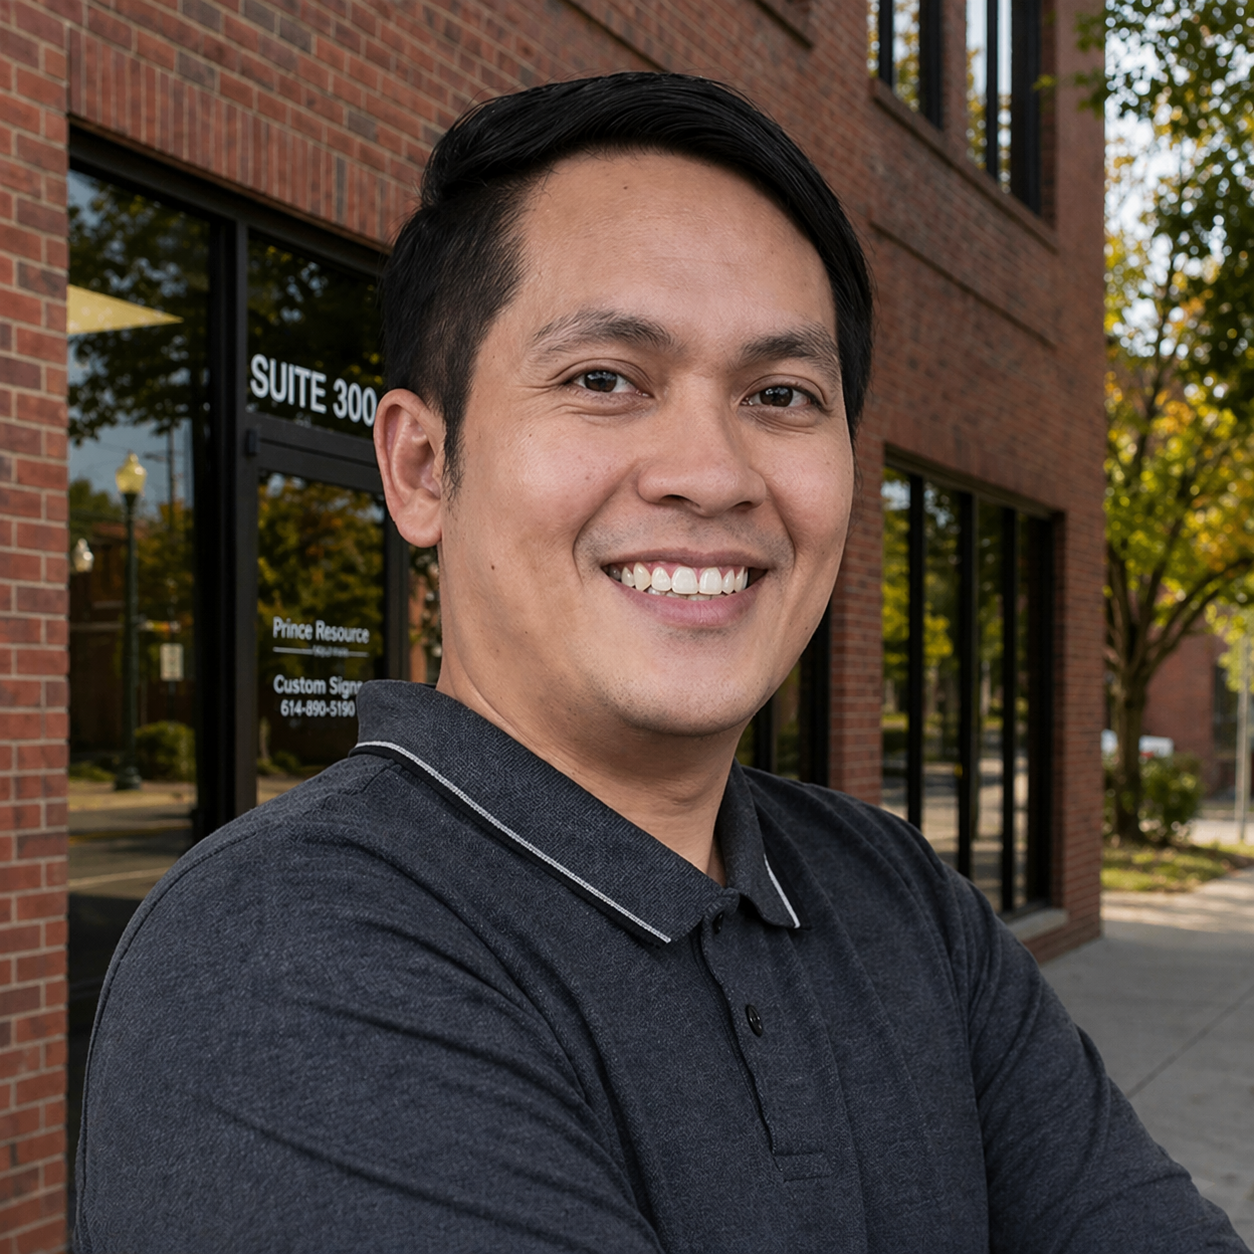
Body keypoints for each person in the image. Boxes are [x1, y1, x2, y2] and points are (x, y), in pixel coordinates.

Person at [74, 73, 1247, 1253]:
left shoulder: (895, 895)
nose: (714, 471)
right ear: (424, 468)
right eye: (605, 380)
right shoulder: (283, 958)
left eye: (781, 394)